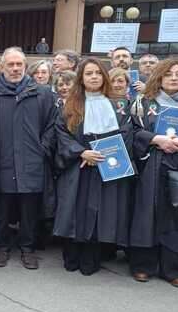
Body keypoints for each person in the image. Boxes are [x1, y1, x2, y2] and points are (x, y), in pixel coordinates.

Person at [0, 47, 57, 270]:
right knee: (2, 208)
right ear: (2, 67)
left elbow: (52, 125)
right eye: (11, 64)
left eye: (19, 64)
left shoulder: (42, 93)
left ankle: (27, 249)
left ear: (25, 66)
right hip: (2, 161)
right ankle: (1, 246)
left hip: (32, 162)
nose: (15, 68)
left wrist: (42, 148)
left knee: (30, 209)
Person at [128, 59, 178, 288]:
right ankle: (143, 265)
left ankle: (173, 268)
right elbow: (132, 130)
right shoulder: (144, 102)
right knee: (147, 214)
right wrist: (155, 139)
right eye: (168, 74)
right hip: (152, 165)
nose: (174, 78)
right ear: (159, 77)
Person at [53, 58, 134, 276]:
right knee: (74, 210)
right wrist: (81, 152)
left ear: (104, 77)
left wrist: (106, 155)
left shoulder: (119, 105)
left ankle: (91, 255)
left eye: (98, 73)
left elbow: (126, 133)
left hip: (106, 166)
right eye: (89, 73)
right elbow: (61, 133)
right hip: (77, 165)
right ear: (81, 78)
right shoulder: (70, 105)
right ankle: (72, 254)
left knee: (98, 212)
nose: (94, 77)